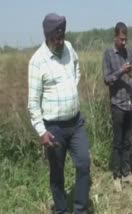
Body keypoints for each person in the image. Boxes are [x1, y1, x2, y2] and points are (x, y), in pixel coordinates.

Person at [28, 13, 90, 214]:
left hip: (76, 122)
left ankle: (80, 209)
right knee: (57, 173)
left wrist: (72, 85)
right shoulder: (37, 61)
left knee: (83, 164)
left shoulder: (69, 48)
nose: (60, 41)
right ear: (47, 36)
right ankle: (61, 210)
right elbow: (33, 103)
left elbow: (77, 67)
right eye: (56, 38)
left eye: (62, 36)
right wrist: (41, 131)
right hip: (53, 128)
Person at [103, 22, 132, 192]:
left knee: (128, 140)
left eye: (126, 39)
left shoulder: (129, 52)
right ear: (115, 37)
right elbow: (107, 79)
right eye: (121, 39)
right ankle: (116, 176)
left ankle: (126, 172)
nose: (124, 43)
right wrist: (121, 71)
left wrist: (130, 73)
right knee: (117, 142)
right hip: (117, 104)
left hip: (130, 104)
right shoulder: (108, 54)